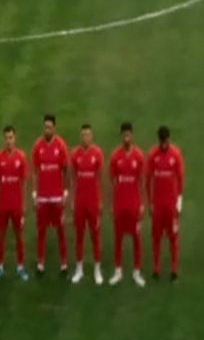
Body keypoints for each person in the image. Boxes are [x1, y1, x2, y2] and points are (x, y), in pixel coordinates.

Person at [32, 113, 69, 277]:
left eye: (50, 127)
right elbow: (34, 171)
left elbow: (65, 169)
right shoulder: (37, 146)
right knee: (41, 231)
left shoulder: (60, 145)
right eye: (45, 127)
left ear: (54, 128)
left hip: (56, 196)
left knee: (60, 230)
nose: (47, 130)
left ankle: (63, 264)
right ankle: (40, 264)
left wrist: (65, 191)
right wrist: (34, 193)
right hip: (42, 196)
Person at [109, 122, 145, 286]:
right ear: (121, 137)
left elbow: (141, 181)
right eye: (124, 135)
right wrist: (112, 202)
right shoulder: (115, 156)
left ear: (132, 136)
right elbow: (111, 180)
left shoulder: (138, 156)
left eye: (128, 135)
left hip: (134, 204)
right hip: (119, 204)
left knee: (136, 238)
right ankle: (118, 271)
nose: (126, 138)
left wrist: (142, 203)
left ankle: (136, 272)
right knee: (118, 238)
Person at [145, 125, 183, 281]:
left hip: (171, 204)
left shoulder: (176, 154)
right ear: (158, 140)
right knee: (156, 237)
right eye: (161, 141)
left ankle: (174, 269)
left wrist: (179, 201)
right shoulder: (152, 155)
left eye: (165, 141)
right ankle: (156, 268)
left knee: (173, 237)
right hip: (158, 204)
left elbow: (180, 179)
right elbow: (147, 180)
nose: (163, 144)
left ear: (169, 139)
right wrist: (149, 202)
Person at [0, 125, 29, 281]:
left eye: (11, 137)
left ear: (15, 138)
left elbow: (24, 182)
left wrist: (24, 204)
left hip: (16, 205)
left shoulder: (21, 157)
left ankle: (20, 267)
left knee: (19, 236)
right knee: (0, 236)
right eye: (6, 138)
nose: (8, 141)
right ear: (3, 139)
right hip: (2, 205)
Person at [70, 123, 104, 284]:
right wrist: (71, 200)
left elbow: (101, 178)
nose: (85, 137)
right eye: (83, 135)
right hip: (79, 201)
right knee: (79, 236)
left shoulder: (97, 154)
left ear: (92, 136)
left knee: (95, 235)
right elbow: (72, 178)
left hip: (93, 201)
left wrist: (100, 201)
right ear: (80, 136)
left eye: (88, 134)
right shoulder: (75, 154)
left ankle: (97, 269)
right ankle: (79, 269)